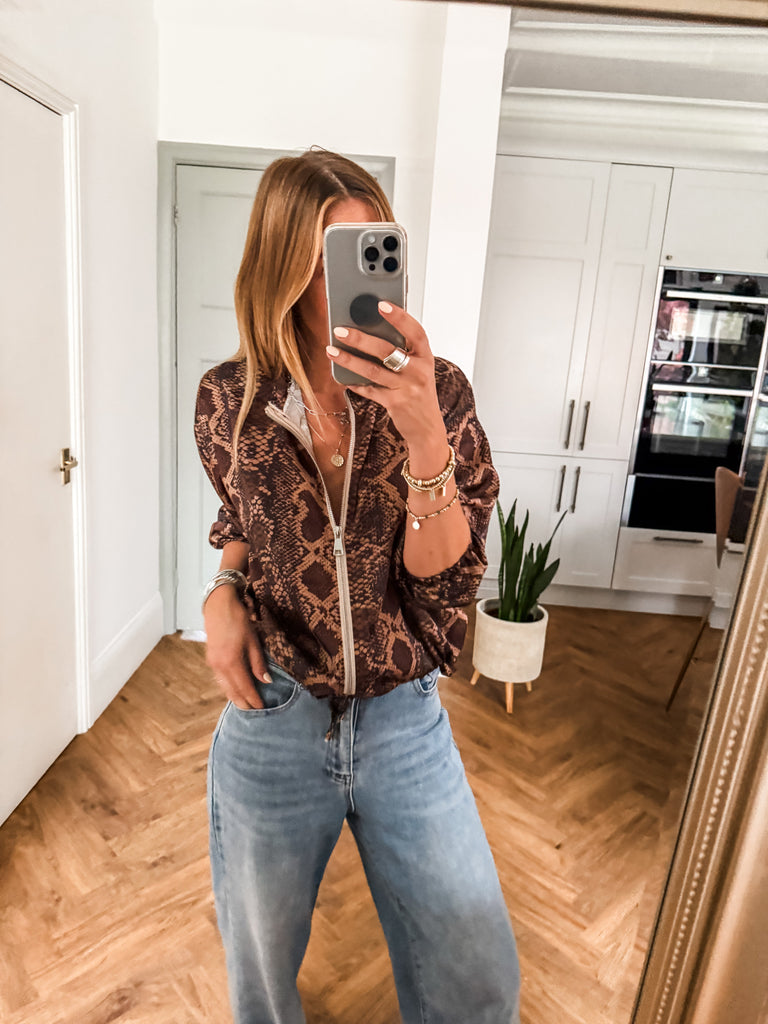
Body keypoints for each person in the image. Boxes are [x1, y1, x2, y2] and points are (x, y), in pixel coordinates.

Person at [194, 148, 520, 1024]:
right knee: (261, 983)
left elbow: (447, 578)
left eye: (370, 249)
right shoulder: (228, 398)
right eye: (328, 257)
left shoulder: (438, 391)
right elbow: (239, 519)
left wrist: (424, 436)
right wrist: (221, 591)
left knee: (479, 981)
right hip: (274, 714)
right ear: (282, 266)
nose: (353, 282)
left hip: (403, 719)